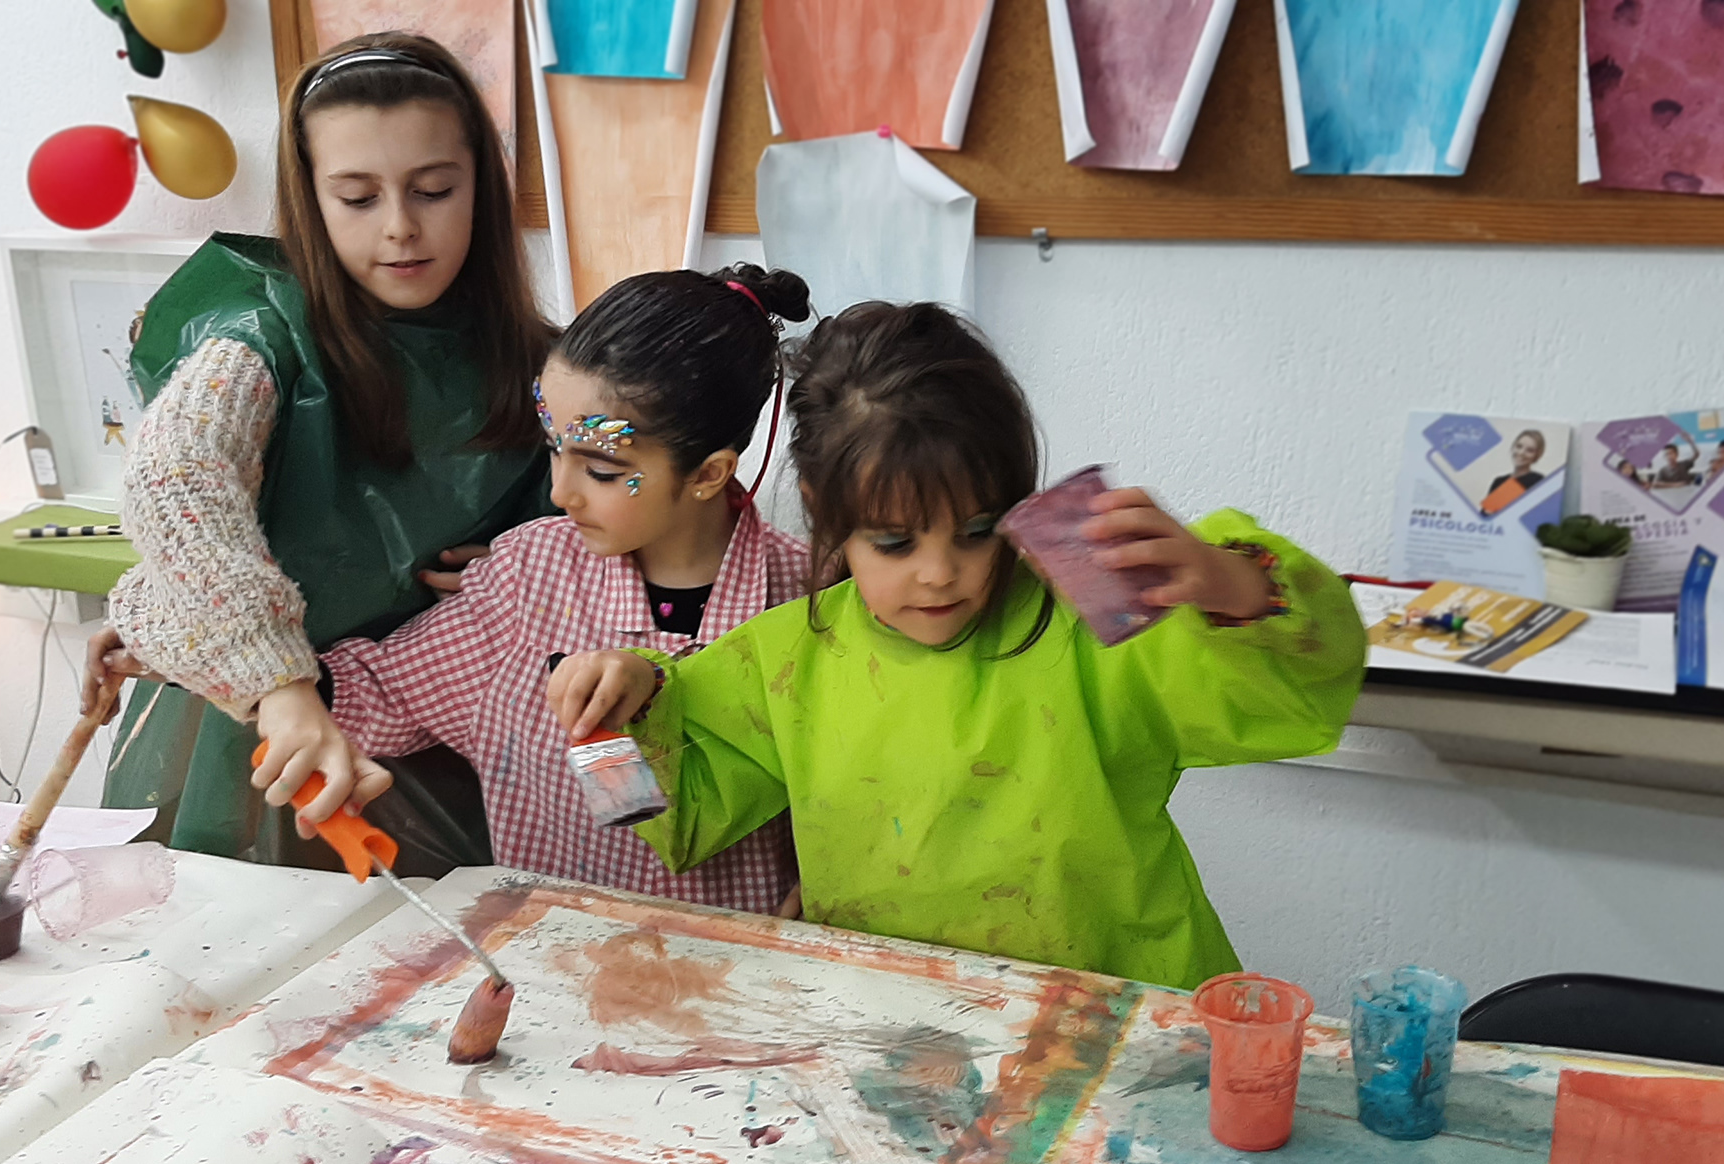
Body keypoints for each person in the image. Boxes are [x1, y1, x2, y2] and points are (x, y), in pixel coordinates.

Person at [547, 302, 1366, 988]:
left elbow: (1298, 699)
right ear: (822, 507)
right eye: (895, 542)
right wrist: (626, 702)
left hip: (1124, 1017)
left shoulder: (1090, 617)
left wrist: (1234, 586)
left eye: (977, 531)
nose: (941, 575)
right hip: (904, 1033)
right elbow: (675, 814)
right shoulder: (788, 655)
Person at [80, 32, 554, 870]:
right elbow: (176, 481)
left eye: (435, 190)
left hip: (442, 744)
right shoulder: (256, 339)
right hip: (261, 745)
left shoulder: (543, 360)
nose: (403, 229)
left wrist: (525, 568)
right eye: (358, 198)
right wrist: (277, 683)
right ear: (310, 201)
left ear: (481, 185)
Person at [311, 266, 812, 914]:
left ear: (709, 473)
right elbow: (379, 692)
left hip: (744, 990)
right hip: (548, 975)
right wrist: (236, 663)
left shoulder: (809, 606)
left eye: (602, 469)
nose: (559, 492)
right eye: (554, 447)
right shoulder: (532, 578)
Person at [1481, 429, 1545, 516]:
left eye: (1529, 450)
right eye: (1519, 446)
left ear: (1537, 455)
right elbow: (1484, 515)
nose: (1521, 452)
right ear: (1513, 447)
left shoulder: (1538, 481)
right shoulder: (1498, 481)